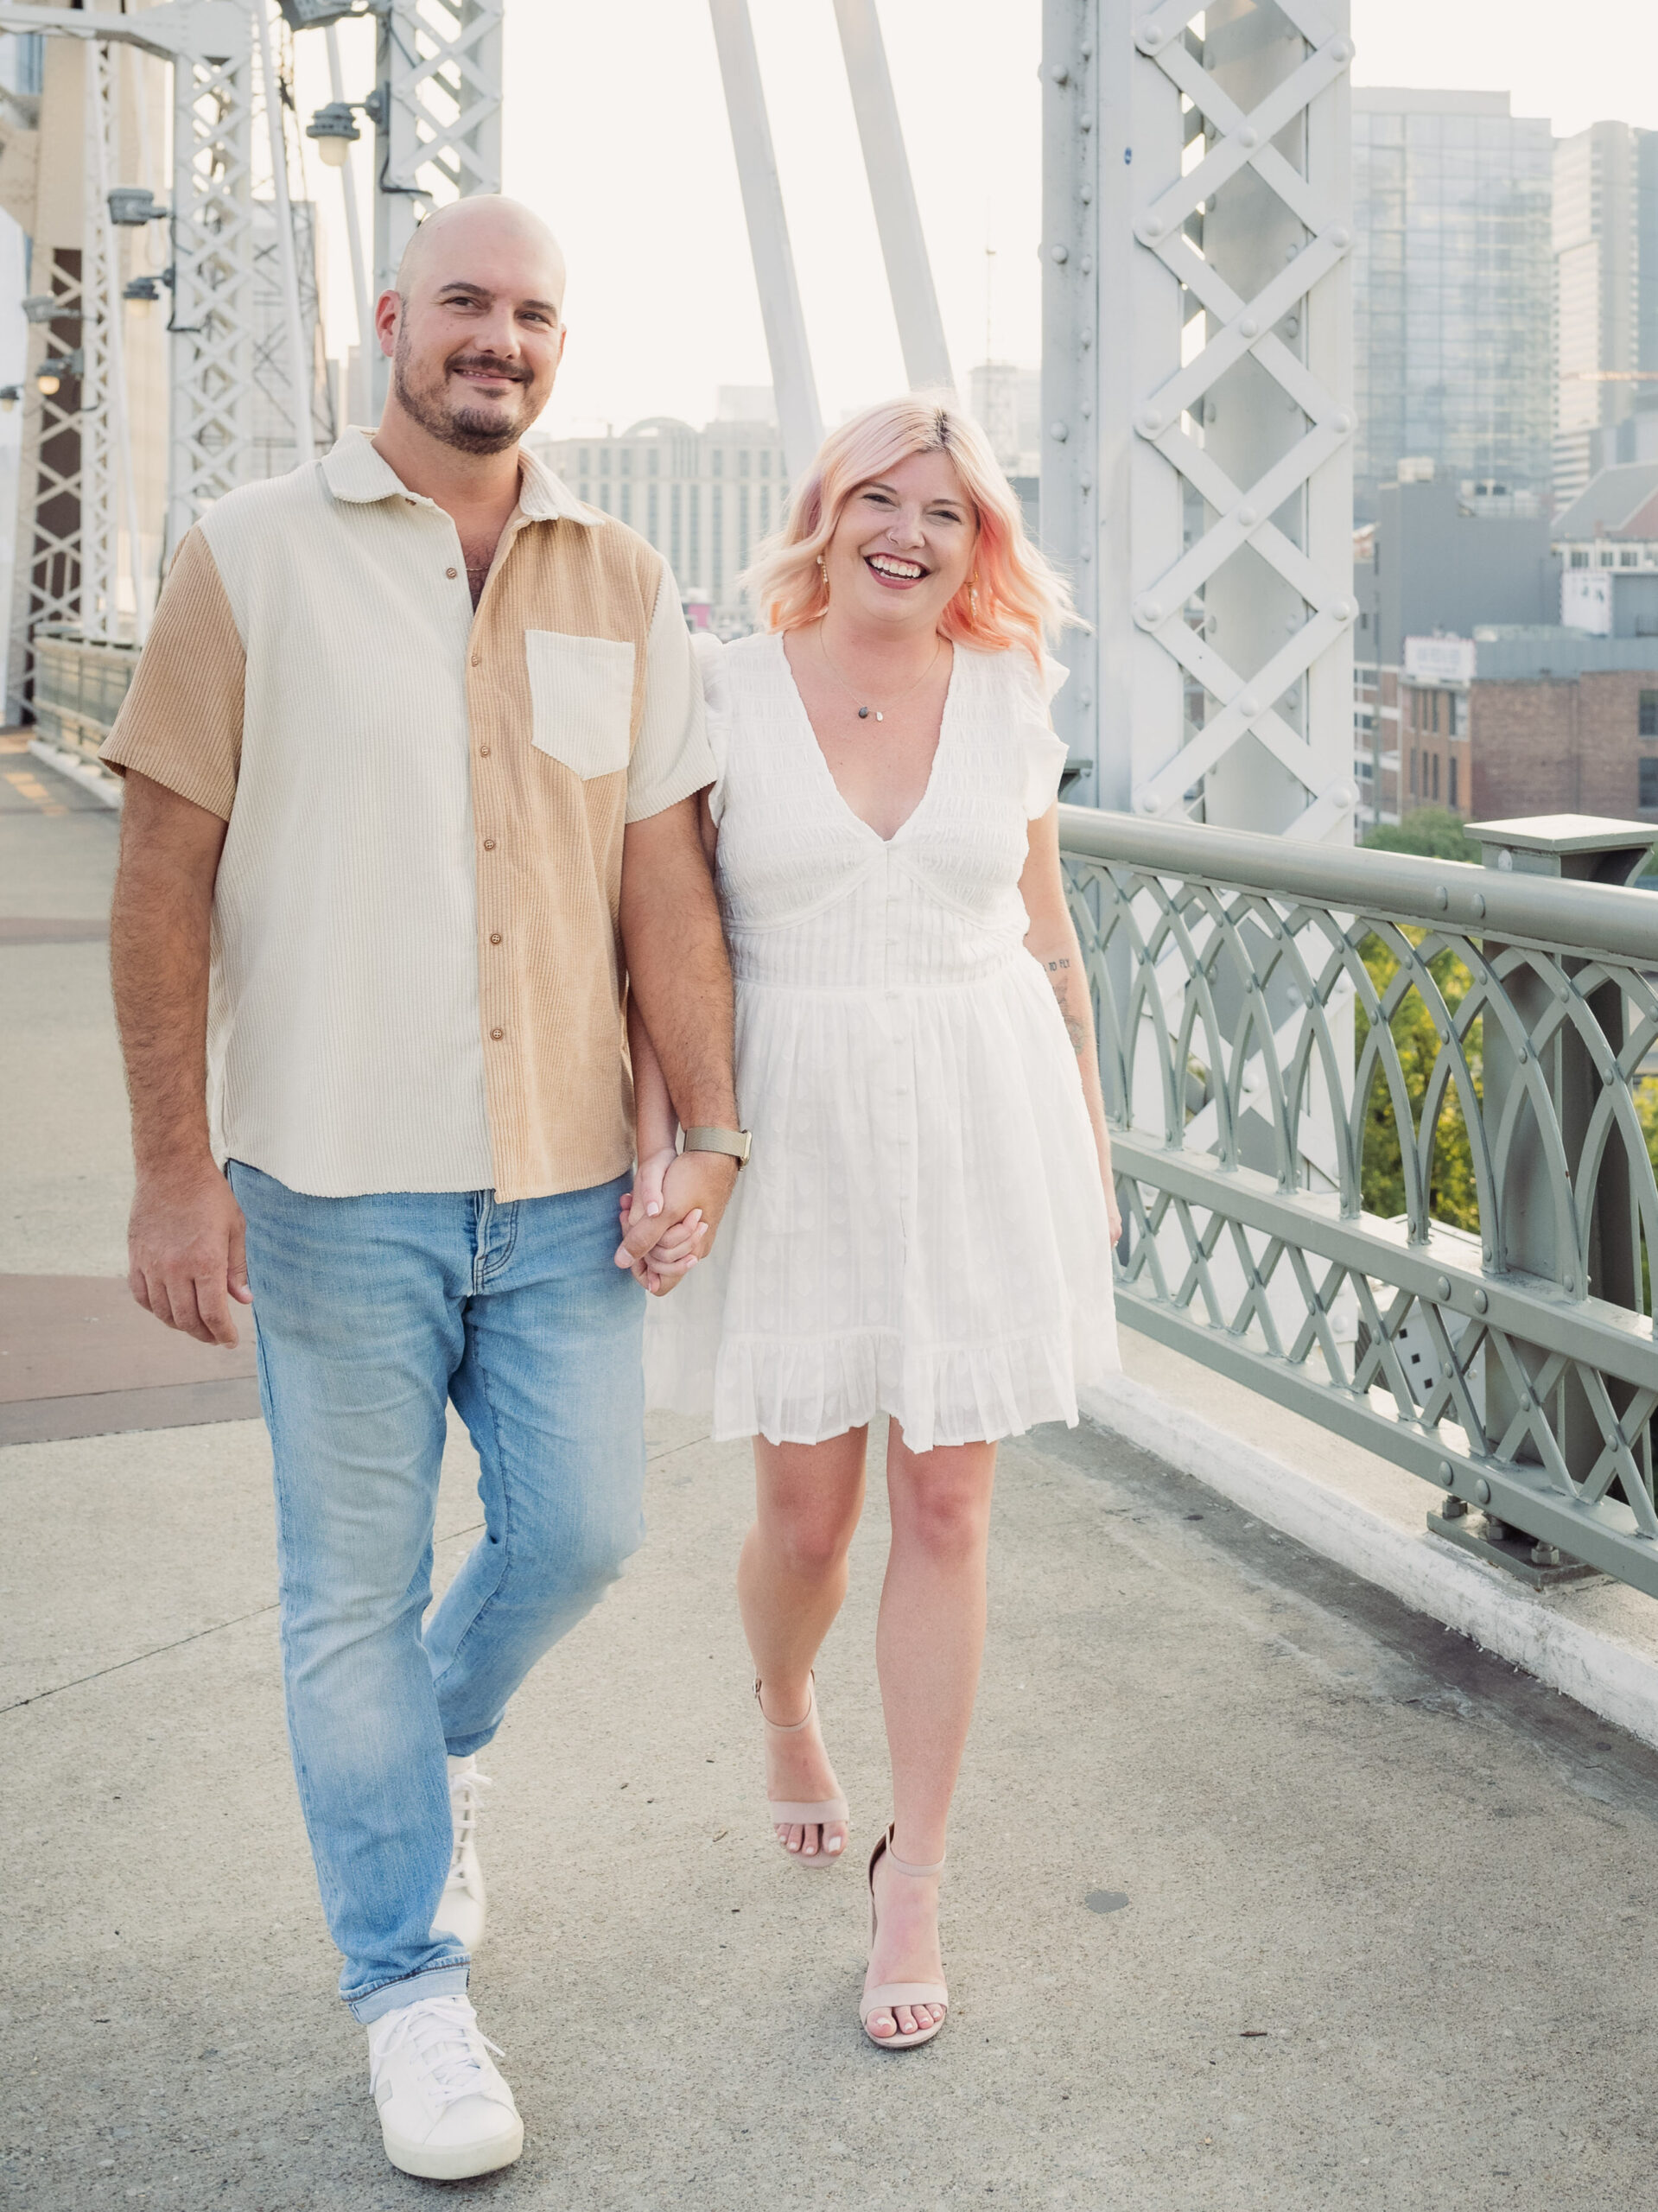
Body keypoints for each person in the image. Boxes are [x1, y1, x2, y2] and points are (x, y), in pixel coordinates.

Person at [100, 197, 741, 2180]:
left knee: (587, 1531)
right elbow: (159, 880)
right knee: (342, 1599)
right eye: (466, 301)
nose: (501, 338)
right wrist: (167, 1173)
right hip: (331, 1180)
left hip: (561, 1187)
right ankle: (406, 1986)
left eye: (536, 312)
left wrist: (706, 1126)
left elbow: (663, 883)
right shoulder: (248, 555)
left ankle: (426, 1745)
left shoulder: (622, 578)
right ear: (391, 320)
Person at [627, 397, 1121, 2050]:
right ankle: (784, 1699)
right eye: (879, 500)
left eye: (950, 513)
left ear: (984, 546)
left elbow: (1048, 939)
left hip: (985, 1113)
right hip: (797, 1116)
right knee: (808, 1520)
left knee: (951, 1502)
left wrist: (1092, 1138)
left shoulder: (1010, 695)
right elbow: (666, 940)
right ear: (823, 516)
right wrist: (667, 1140)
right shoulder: (723, 693)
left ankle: (914, 1875)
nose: (909, 532)